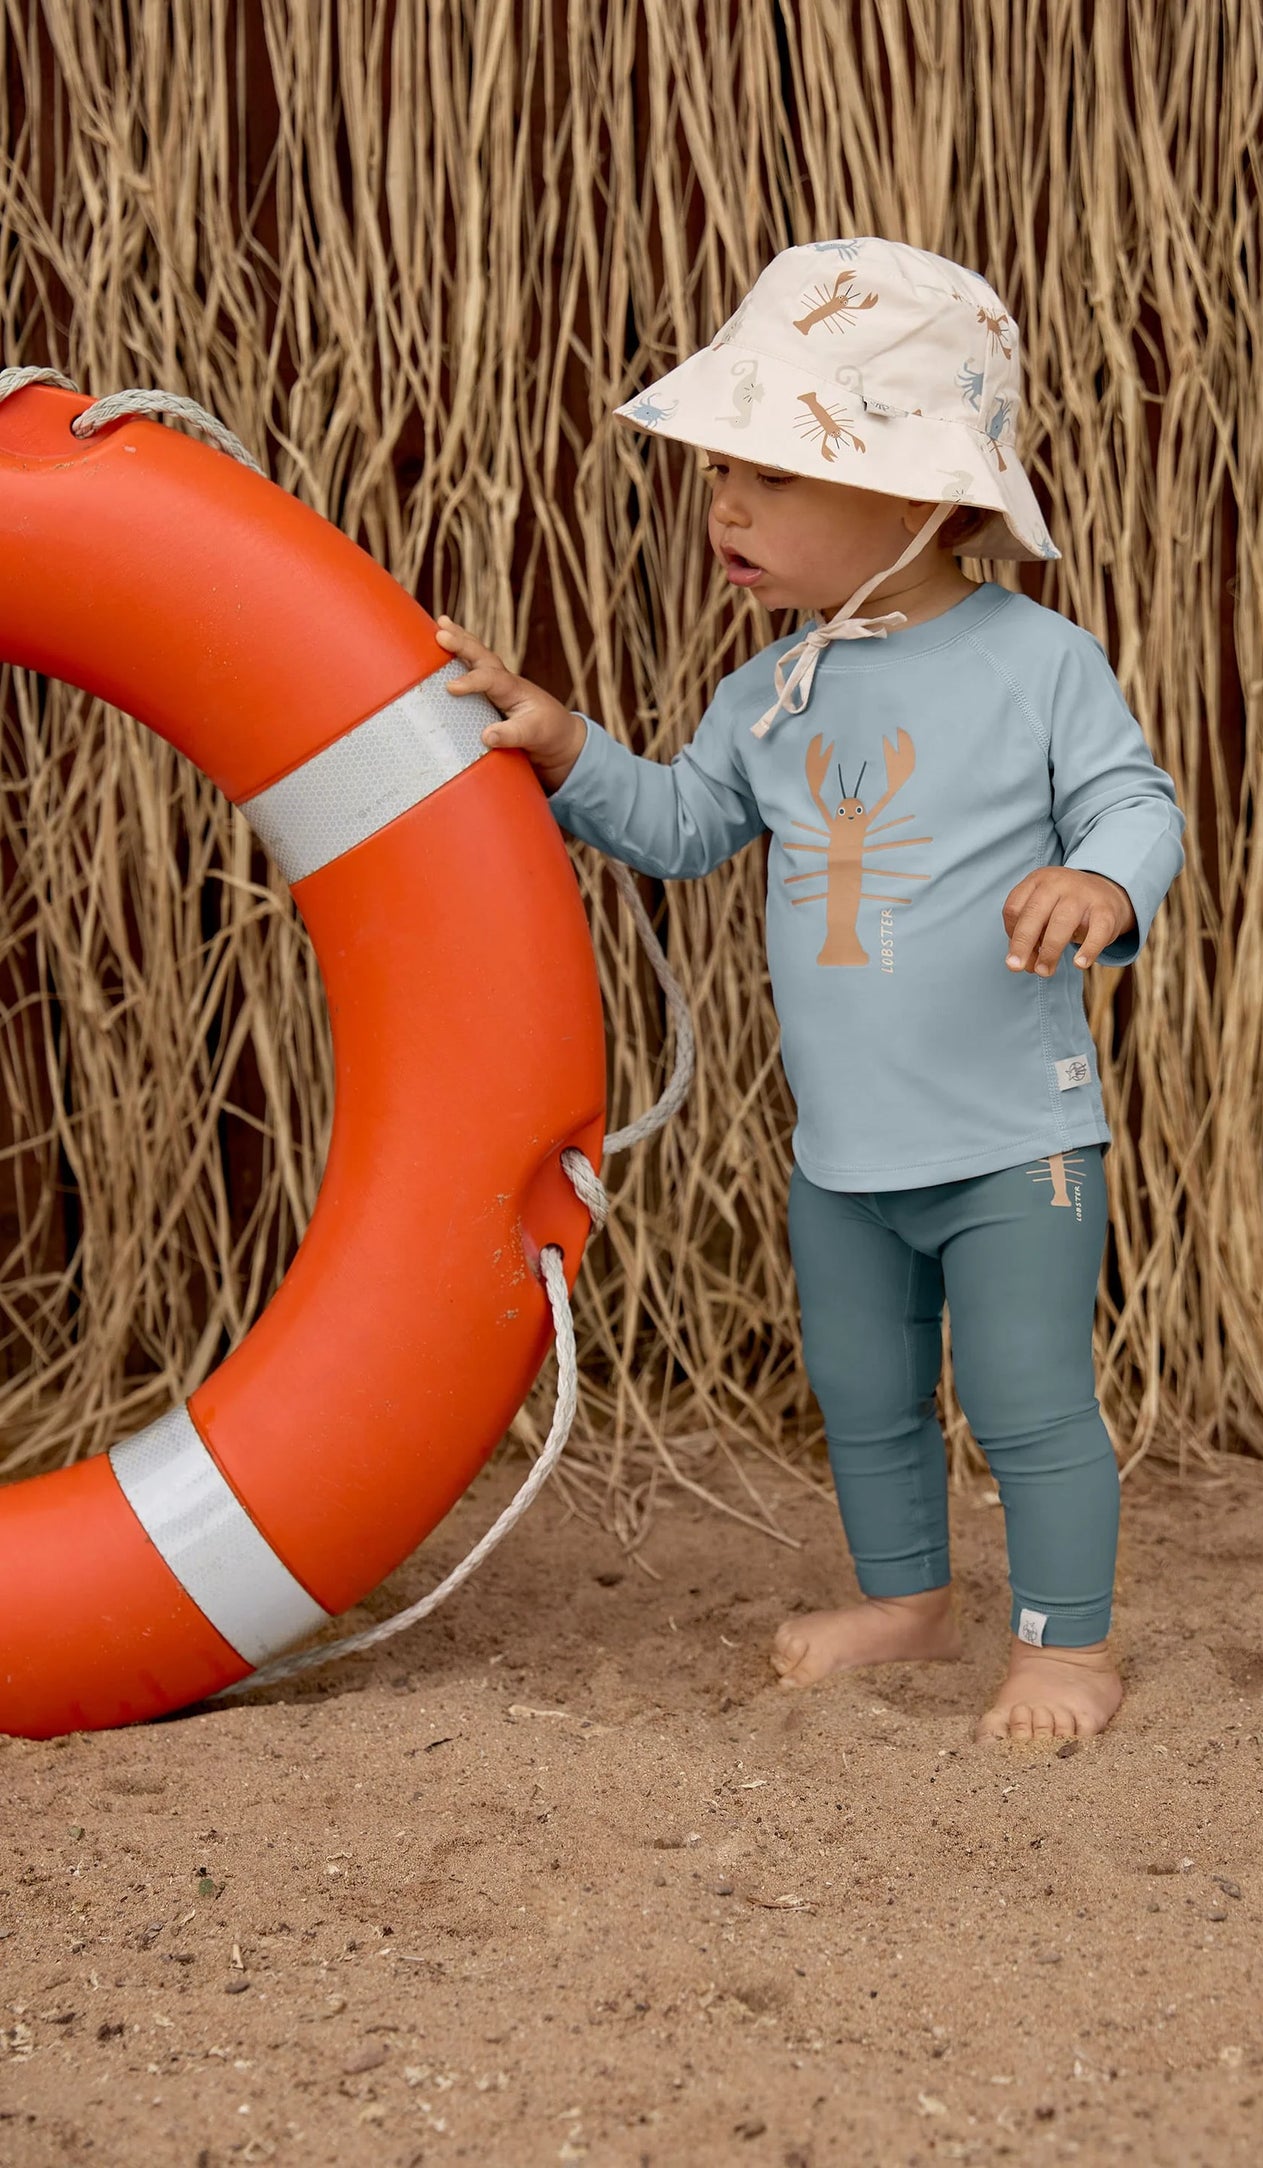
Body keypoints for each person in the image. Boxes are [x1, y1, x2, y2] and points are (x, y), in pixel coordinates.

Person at [435, 238, 1185, 1744]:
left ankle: (1066, 1645)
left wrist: (1100, 885)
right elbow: (681, 828)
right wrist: (565, 744)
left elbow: (1136, 803)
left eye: (775, 472)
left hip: (1009, 1142)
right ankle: (908, 1602)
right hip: (842, 1154)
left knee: (1030, 1403)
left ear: (915, 494)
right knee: (861, 1391)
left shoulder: (1039, 663)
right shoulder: (766, 694)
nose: (726, 504)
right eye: (726, 469)